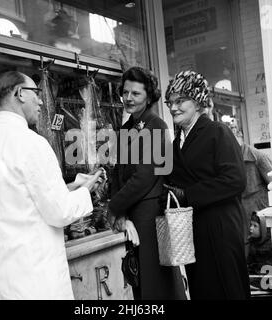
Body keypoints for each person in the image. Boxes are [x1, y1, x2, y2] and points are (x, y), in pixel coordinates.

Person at [0, 71, 105, 300]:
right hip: (32, 282)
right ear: (20, 93)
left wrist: (69, 187)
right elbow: (59, 211)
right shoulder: (32, 144)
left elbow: (14, 198)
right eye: (36, 93)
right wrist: (85, 190)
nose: (41, 101)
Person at [163, 70, 250, 300]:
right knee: (203, 290)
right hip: (194, 233)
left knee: (227, 290)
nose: (173, 108)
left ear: (198, 102)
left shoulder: (217, 132)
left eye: (180, 101)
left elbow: (236, 179)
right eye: (170, 102)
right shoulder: (175, 143)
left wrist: (188, 195)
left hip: (221, 230)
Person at [107, 66, 186, 300]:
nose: (128, 98)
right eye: (125, 92)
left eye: (136, 94)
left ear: (149, 97)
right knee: (139, 281)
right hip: (133, 215)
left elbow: (144, 177)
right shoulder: (126, 128)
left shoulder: (157, 126)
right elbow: (117, 173)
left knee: (157, 284)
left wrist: (114, 207)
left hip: (151, 216)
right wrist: (118, 208)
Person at [233, 130, 272, 245]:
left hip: (258, 216)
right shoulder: (231, 158)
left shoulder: (257, 156)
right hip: (241, 216)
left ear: (240, 136)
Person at [247, 211, 272, 290]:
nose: (251, 228)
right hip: (256, 280)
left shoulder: (269, 244)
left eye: (255, 226)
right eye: (251, 225)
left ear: (263, 228)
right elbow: (250, 265)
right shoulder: (252, 242)